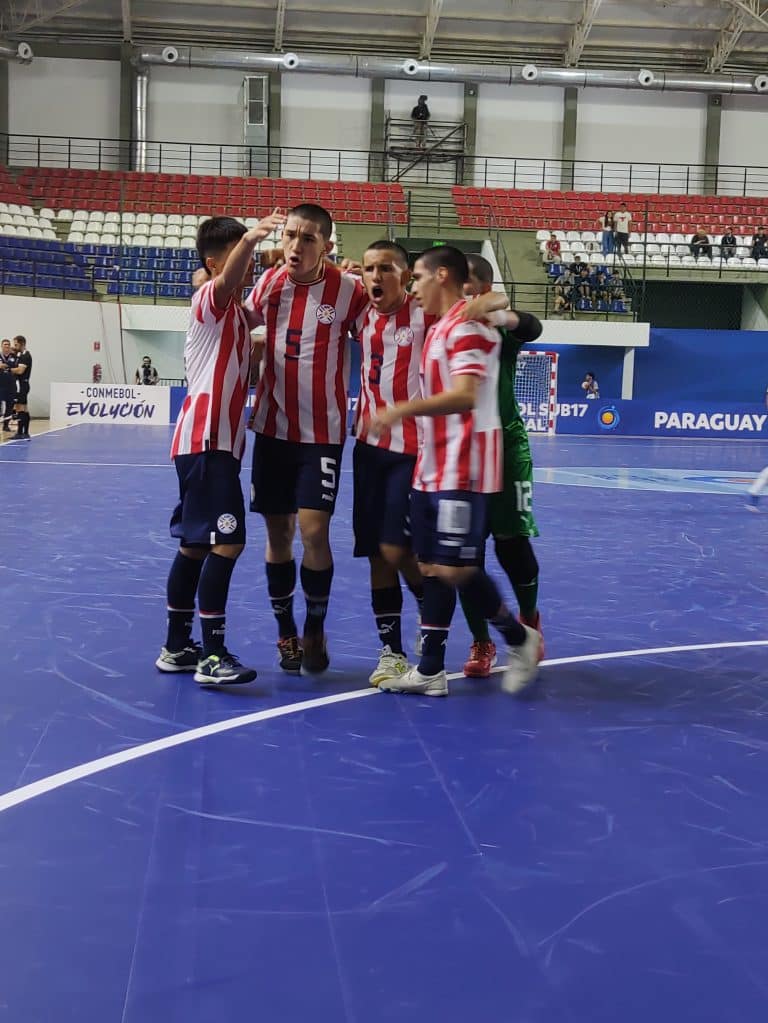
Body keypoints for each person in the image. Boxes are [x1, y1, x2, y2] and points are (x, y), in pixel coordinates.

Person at [368, 245, 542, 697]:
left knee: (457, 567)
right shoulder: (443, 325)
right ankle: (430, 670)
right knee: (431, 565)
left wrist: (400, 409)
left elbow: (465, 395)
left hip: (463, 466)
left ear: (441, 275)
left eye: (418, 278)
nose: (413, 288)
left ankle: (519, 638)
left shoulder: (466, 326)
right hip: (432, 465)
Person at [156, 209, 285, 686]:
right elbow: (227, 277)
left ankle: (176, 646)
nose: (244, 265)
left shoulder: (231, 309)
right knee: (227, 541)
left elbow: (257, 305)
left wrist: (276, 256)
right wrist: (252, 237)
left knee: (194, 545)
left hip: (210, 441)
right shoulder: (209, 299)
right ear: (214, 263)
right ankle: (211, 655)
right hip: (207, 440)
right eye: (235, 257)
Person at [244, 203, 369, 675]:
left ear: (327, 246)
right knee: (278, 534)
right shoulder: (270, 283)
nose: (296, 245)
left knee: (314, 531)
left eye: (309, 238)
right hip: (273, 429)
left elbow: (378, 333)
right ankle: (285, 630)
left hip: (323, 432)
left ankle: (315, 623)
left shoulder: (347, 291)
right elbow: (237, 316)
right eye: (292, 235)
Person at [455, 254, 544, 678]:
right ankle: (482, 640)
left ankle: (529, 620)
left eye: (469, 284)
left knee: (511, 543)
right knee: (463, 552)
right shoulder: (442, 323)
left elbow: (533, 327)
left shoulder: (494, 326)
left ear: (485, 289)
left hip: (505, 448)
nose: (461, 291)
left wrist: (503, 313)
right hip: (456, 450)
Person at [10, 335, 31, 440]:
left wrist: (9, 369)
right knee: (24, 409)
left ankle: (20, 432)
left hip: (22, 384)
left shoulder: (25, 356)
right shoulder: (20, 355)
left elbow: (20, 370)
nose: (14, 346)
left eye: (16, 344)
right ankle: (25, 432)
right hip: (22, 384)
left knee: (20, 408)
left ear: (22, 343)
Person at [0, 338, 17, 433]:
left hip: (11, 385)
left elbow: (16, 367)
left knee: (10, 406)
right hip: (0, 384)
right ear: (1, 346)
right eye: (5, 344)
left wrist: (4, 365)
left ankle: (6, 425)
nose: (6, 346)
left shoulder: (14, 356)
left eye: (8, 344)